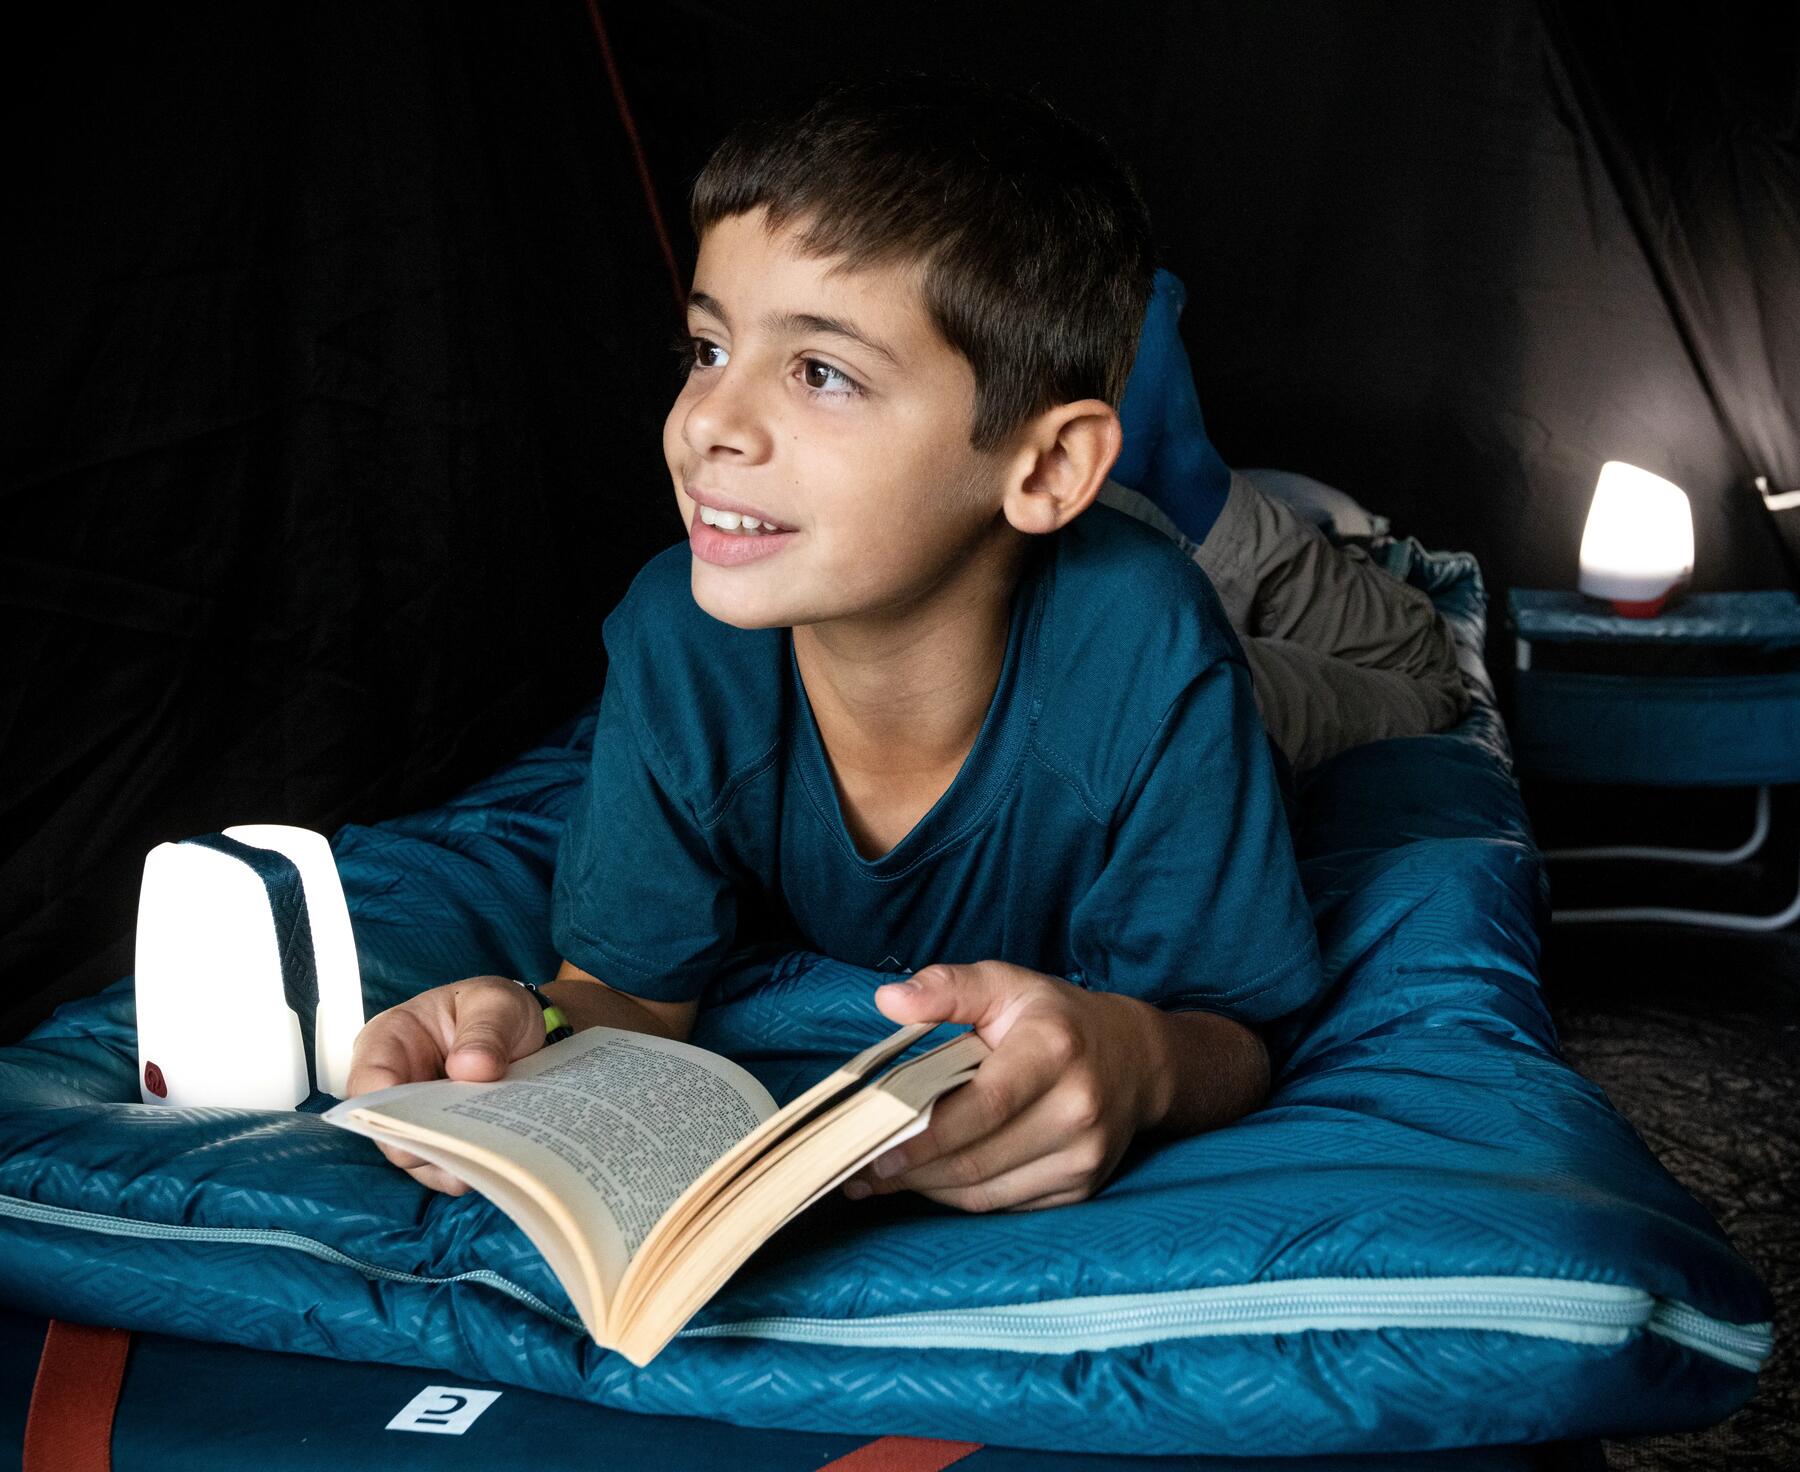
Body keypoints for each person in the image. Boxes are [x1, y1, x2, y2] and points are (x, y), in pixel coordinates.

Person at [346, 73, 1325, 1215]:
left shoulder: (1149, 655)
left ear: (1047, 465)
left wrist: (1143, 1059)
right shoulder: (680, 630)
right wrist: (535, 1017)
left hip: (1222, 633)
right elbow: (627, 993)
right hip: (1057, 568)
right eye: (709, 349)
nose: (706, 421)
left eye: (821, 371)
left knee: (1386, 681)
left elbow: (1233, 1029)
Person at [1099, 269, 1471, 774]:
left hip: (1119, 662)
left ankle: (1186, 472)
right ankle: (1185, 468)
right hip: (1141, 694)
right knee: (1424, 670)